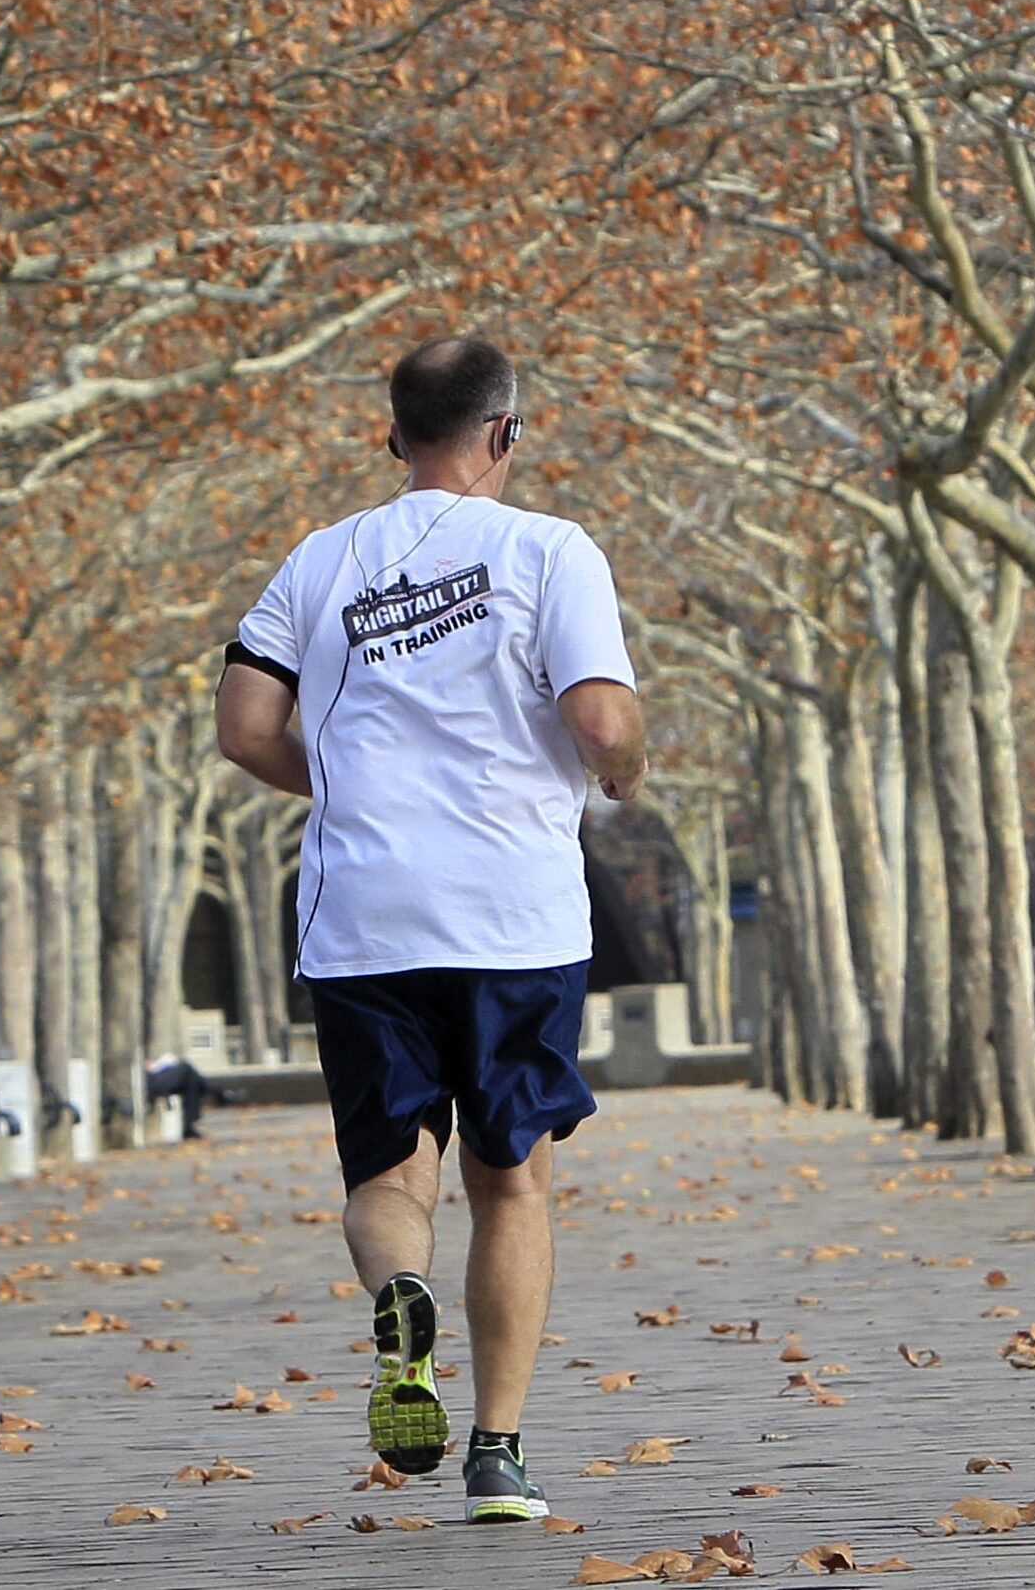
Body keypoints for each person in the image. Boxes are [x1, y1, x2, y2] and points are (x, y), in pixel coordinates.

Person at [216, 336, 648, 1525]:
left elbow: (247, 723)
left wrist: (354, 787)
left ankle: (398, 1295)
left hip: (363, 917)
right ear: (508, 431)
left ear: (392, 434)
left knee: (390, 1168)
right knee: (512, 1184)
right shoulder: (550, 549)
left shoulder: (316, 560)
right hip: (513, 915)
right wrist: (620, 771)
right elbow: (601, 713)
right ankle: (498, 1453)